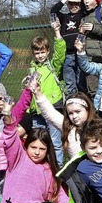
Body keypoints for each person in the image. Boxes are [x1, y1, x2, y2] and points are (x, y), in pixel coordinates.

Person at [34, 69, 102, 160]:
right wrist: (38, 94)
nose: (74, 116)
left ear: (87, 110)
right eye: (70, 113)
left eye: (78, 111)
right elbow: (51, 114)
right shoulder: (70, 130)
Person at [27, 21, 67, 166]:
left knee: (55, 141)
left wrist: (57, 32)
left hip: (52, 107)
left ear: (47, 51)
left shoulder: (53, 66)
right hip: (37, 111)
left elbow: (60, 53)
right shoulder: (31, 69)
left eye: (42, 52)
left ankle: (59, 168)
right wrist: (28, 108)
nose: (40, 55)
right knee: (38, 140)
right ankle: (41, 167)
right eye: (37, 53)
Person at [51, 0, 86, 96]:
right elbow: (53, 11)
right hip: (67, 55)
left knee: (81, 82)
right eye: (71, 4)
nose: (74, 6)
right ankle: (71, 101)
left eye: (76, 4)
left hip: (79, 53)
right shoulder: (64, 17)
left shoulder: (81, 14)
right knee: (70, 83)